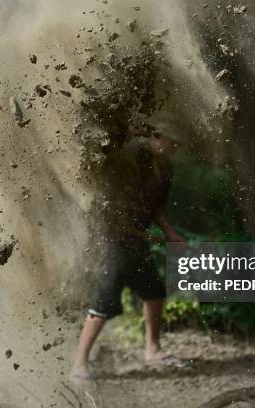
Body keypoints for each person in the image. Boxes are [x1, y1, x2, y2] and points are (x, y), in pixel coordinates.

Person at [71, 134, 185, 386]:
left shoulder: (165, 167)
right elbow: (102, 203)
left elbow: (157, 207)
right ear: (157, 137)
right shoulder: (127, 158)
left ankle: (152, 350)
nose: (176, 147)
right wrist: (127, 229)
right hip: (111, 241)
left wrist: (171, 234)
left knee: (154, 291)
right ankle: (79, 364)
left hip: (137, 241)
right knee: (104, 299)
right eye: (172, 141)